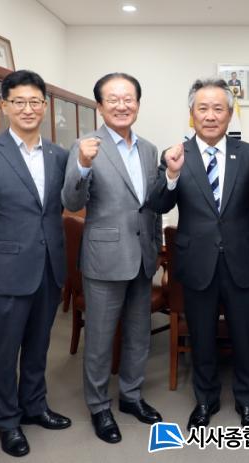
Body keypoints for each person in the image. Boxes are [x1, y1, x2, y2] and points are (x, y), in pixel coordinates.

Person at [0, 70, 71, 458]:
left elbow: (66, 203)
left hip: (49, 268)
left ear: (45, 106)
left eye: (34, 101)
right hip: (8, 271)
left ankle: (34, 405)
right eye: (18, 101)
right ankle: (7, 421)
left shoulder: (58, 155)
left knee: (39, 346)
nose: (27, 109)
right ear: (3, 106)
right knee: (5, 352)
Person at [147, 78, 249, 430]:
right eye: (203, 108)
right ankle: (205, 400)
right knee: (201, 336)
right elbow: (159, 202)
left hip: (240, 259)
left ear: (229, 114)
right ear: (192, 113)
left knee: (245, 336)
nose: (211, 115)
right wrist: (171, 174)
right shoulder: (175, 154)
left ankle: (247, 401)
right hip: (197, 261)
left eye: (218, 108)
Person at [61, 72, 163, 445]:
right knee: (101, 340)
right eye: (113, 99)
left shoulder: (149, 149)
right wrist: (83, 165)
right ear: (100, 106)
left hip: (142, 257)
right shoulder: (85, 146)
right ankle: (99, 406)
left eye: (128, 99)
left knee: (139, 334)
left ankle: (131, 396)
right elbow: (71, 201)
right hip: (105, 258)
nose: (122, 106)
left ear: (138, 103)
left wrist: (155, 246)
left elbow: (152, 205)